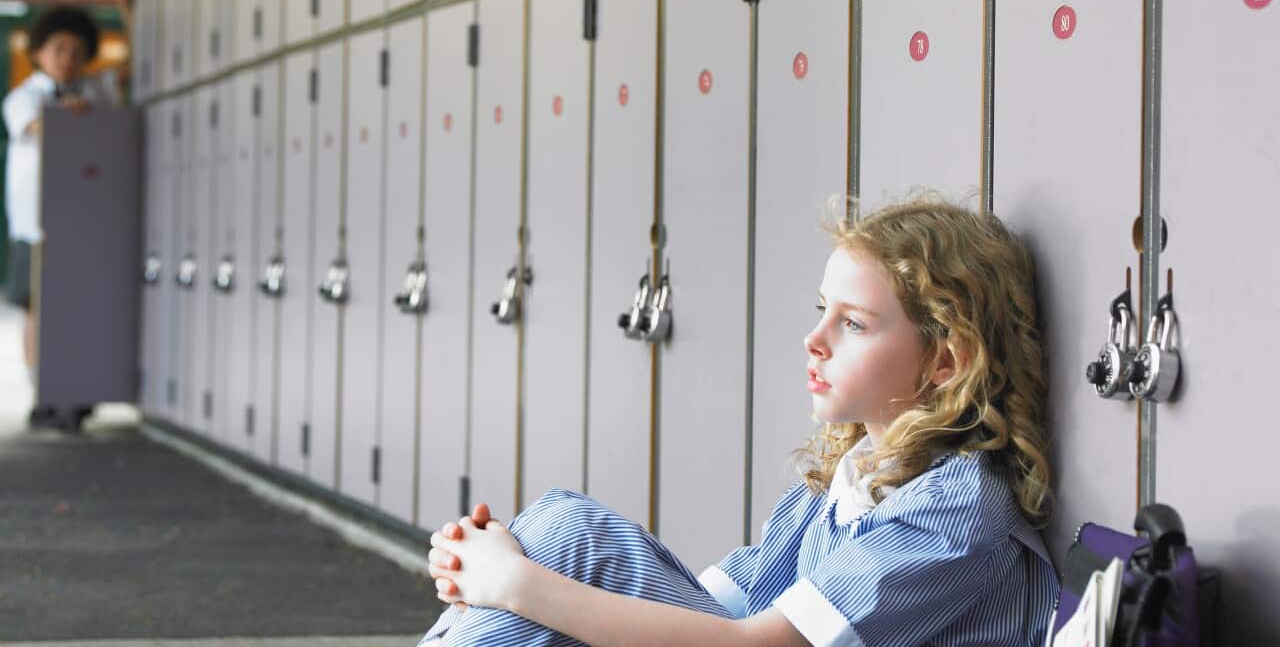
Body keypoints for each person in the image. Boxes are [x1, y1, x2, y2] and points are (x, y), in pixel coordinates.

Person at [420, 196, 1060, 646]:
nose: (814, 338)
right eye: (821, 311)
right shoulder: (849, 481)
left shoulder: (956, 508)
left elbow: (758, 645)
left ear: (945, 360)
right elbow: (719, 607)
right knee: (558, 547)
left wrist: (515, 584)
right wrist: (493, 578)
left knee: (569, 539)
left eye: (854, 324)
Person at [3, 5, 123, 431]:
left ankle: (76, 389)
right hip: (35, 222)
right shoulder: (24, 97)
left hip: (85, 221)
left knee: (79, 308)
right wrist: (68, 117)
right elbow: (37, 127)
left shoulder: (97, 94)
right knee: (37, 308)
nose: (67, 59)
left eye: (76, 51)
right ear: (39, 53)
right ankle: (45, 392)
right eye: (58, 49)